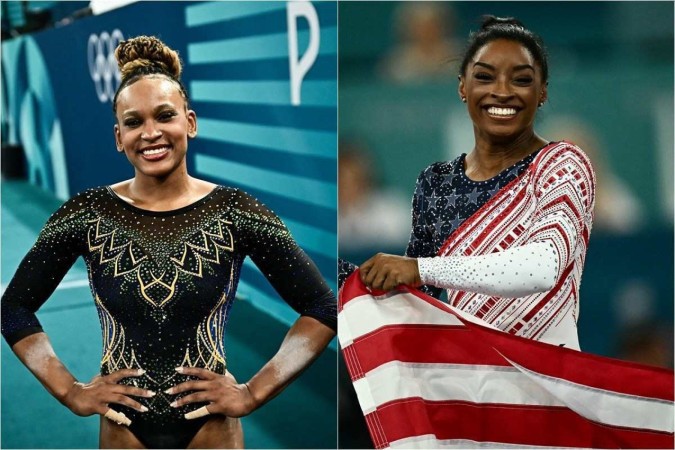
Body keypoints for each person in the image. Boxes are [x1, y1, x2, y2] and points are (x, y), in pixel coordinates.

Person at [1, 36, 336, 449]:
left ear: (190, 123)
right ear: (118, 137)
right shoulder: (88, 213)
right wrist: (71, 391)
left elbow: (321, 306)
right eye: (133, 122)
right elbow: (14, 307)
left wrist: (253, 391)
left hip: (210, 430)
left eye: (164, 116)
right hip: (124, 431)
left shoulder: (235, 212)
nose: (151, 133)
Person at [354, 16, 596, 351]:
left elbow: (544, 266)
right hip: (468, 388)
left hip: (549, 387)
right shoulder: (436, 183)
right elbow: (417, 300)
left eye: (521, 80)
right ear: (462, 87)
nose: (502, 91)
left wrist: (420, 269)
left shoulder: (562, 164)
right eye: (484, 77)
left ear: (542, 92)